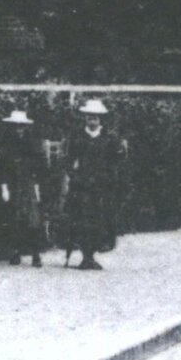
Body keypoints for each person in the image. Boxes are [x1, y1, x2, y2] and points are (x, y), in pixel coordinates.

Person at [61, 99, 123, 271]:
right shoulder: (78, 137)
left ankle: (93, 255)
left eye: (95, 118)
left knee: (99, 220)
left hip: (102, 185)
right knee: (81, 220)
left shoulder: (109, 138)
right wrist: (73, 176)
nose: (92, 121)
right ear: (85, 119)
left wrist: (111, 178)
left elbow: (115, 161)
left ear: (100, 119)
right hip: (82, 185)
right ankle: (85, 257)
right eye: (89, 118)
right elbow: (68, 160)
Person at [0, 109, 46, 267]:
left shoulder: (32, 144)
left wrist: (37, 186)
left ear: (25, 127)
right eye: (16, 126)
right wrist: (4, 187)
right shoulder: (6, 145)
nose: (19, 129)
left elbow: (39, 167)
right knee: (14, 219)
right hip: (13, 184)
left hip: (28, 184)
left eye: (21, 126)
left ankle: (36, 254)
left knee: (33, 220)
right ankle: (15, 252)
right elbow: (2, 168)